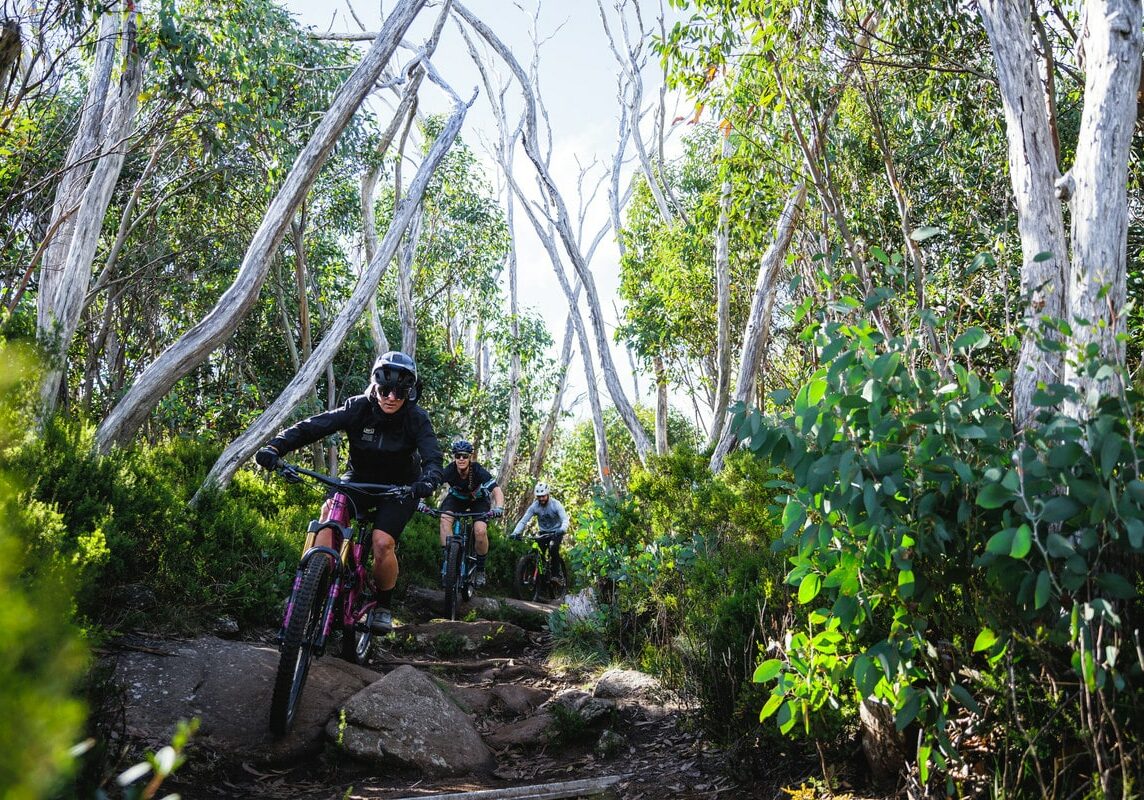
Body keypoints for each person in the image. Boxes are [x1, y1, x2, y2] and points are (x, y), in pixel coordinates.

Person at [254, 351, 443, 633]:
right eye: (385, 389)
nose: (391, 397)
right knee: (328, 520)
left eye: (399, 392)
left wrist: (428, 481)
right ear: (375, 385)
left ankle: (383, 605)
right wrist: (276, 447)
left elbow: (432, 457)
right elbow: (313, 427)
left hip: (401, 487)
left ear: (410, 392)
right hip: (358, 479)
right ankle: (309, 589)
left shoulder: (416, 418)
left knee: (381, 542)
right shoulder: (358, 407)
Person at [435, 439, 504, 587]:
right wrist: (420, 500)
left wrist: (499, 507)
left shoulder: (477, 470)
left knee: (480, 531)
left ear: (470, 457)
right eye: (458, 455)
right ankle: (448, 563)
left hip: (478, 500)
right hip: (456, 499)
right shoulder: (449, 470)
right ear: (454, 457)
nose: (461, 459)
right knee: (445, 519)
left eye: (465, 456)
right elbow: (432, 483)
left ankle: (480, 569)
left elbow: (496, 490)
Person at [510, 482, 570, 558]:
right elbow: (523, 520)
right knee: (536, 551)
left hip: (556, 533)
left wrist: (562, 529)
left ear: (548, 494)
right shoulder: (534, 506)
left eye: (543, 496)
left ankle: (556, 570)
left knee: (553, 548)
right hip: (543, 533)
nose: (541, 499)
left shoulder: (556, 504)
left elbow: (565, 519)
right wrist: (515, 532)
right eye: (539, 497)